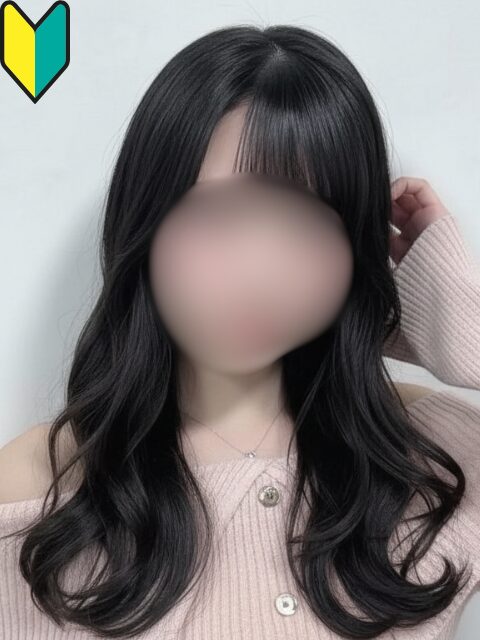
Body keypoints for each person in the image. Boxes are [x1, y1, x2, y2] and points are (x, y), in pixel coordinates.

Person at [0, 24, 479, 640]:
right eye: (219, 216)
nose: (260, 274)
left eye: (307, 225)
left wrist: (461, 331)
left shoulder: (432, 451)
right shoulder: (37, 485)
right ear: (144, 222)